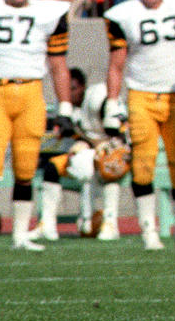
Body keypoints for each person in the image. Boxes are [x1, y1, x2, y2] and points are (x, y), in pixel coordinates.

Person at [104, 0, 175, 251]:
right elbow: (116, 64)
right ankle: (149, 232)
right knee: (143, 163)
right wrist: (113, 103)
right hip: (141, 95)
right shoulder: (125, 15)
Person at [0, 0, 72, 250]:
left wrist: (66, 107)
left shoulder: (47, 14)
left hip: (32, 92)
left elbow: (58, 66)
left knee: (26, 168)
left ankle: (20, 236)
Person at [27, 67, 125, 242]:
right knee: (52, 168)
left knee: (106, 162)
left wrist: (101, 147)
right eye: (66, 89)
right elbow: (80, 136)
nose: (69, 94)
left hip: (115, 152)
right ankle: (46, 224)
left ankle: (110, 222)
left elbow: (119, 131)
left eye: (72, 88)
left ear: (82, 87)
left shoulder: (97, 97)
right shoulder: (66, 109)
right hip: (90, 155)